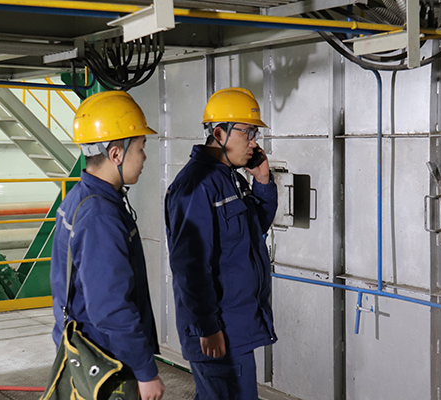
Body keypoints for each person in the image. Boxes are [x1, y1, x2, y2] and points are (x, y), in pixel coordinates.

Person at [50, 90, 165, 400]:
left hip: (88, 351)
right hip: (108, 361)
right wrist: (145, 371)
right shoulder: (100, 214)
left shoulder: (80, 197)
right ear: (116, 154)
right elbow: (111, 307)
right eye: (141, 147)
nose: (144, 157)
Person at [164, 87, 278, 399]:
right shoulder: (195, 186)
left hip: (234, 327)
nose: (253, 142)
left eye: (254, 133)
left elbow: (252, 231)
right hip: (218, 331)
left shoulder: (230, 178)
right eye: (247, 132)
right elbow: (190, 267)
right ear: (219, 133)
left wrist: (263, 181)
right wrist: (208, 327)